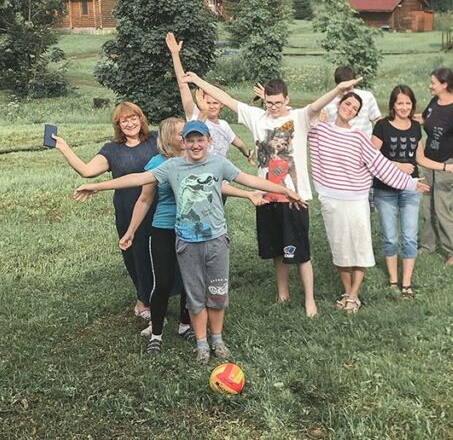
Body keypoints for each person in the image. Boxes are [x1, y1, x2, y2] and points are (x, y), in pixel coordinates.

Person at [73, 120, 304, 364]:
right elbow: (137, 179)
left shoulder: (218, 163)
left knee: (216, 292)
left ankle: (217, 339)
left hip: (216, 239)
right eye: (190, 140)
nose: (195, 144)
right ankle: (202, 344)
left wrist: (285, 191)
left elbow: (249, 179)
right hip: (187, 241)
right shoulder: (172, 166)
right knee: (194, 295)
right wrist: (97, 186)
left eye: (200, 139)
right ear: (183, 143)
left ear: (209, 141)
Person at [181, 72, 363, 318]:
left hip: (295, 198)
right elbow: (225, 98)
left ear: (287, 99)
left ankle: (310, 300)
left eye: (278, 102)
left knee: (301, 252)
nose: (274, 107)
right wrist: (197, 81)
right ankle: (283, 294)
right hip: (266, 197)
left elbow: (318, 104)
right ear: (264, 99)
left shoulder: (299, 117)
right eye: (269, 102)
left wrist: (340, 88)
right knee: (276, 251)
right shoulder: (257, 117)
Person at [117, 117, 266, 354]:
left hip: (193, 230)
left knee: (192, 283)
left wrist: (246, 194)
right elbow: (144, 199)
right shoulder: (161, 163)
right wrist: (131, 231)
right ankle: (156, 333)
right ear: (170, 138)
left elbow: (214, 184)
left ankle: (186, 325)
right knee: (163, 282)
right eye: (181, 134)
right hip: (165, 228)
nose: (185, 137)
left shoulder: (198, 161)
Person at [309, 91, 430, 313]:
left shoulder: (358, 137)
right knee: (339, 248)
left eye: (355, 108)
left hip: (356, 200)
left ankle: (354, 295)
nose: (350, 109)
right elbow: (308, 114)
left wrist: (410, 183)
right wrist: (337, 91)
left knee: (359, 247)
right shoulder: (319, 130)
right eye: (347, 104)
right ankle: (347, 291)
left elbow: (380, 165)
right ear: (339, 104)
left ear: (357, 114)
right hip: (330, 200)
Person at [53, 101, 158, 321]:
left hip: (158, 206)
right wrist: (64, 147)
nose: (129, 124)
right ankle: (143, 299)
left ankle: (159, 296)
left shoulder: (155, 140)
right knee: (134, 255)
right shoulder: (112, 150)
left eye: (133, 118)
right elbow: (87, 171)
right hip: (127, 209)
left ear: (141, 119)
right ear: (118, 125)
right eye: (124, 120)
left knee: (157, 253)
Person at [370, 85, 453, 299]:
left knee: (410, 237)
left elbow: (420, 158)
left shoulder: (415, 127)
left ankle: (406, 284)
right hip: (385, 190)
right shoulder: (382, 127)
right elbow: (372, 158)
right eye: (400, 103)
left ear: (412, 104)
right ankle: (393, 281)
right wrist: (396, 164)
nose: (404, 107)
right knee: (390, 238)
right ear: (393, 105)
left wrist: (446, 167)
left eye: (408, 103)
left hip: (410, 188)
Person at [166, 33, 251, 160]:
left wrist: (248, 154)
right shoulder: (195, 115)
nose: (211, 106)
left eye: (215, 103)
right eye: (208, 102)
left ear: (222, 104)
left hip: (220, 178)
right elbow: (182, 85)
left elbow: (238, 143)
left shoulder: (224, 125)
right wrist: (175, 54)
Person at [418, 68, 453, 266]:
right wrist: (402, 116)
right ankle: (427, 245)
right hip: (430, 162)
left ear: (444, 85)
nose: (430, 85)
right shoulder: (434, 102)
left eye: (433, 82)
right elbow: (424, 119)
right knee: (427, 206)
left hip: (450, 163)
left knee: (442, 208)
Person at [322, 65, 382, 139]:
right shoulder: (328, 101)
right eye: (342, 89)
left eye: (348, 89)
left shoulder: (367, 97)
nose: (345, 93)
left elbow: (377, 120)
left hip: (362, 145)